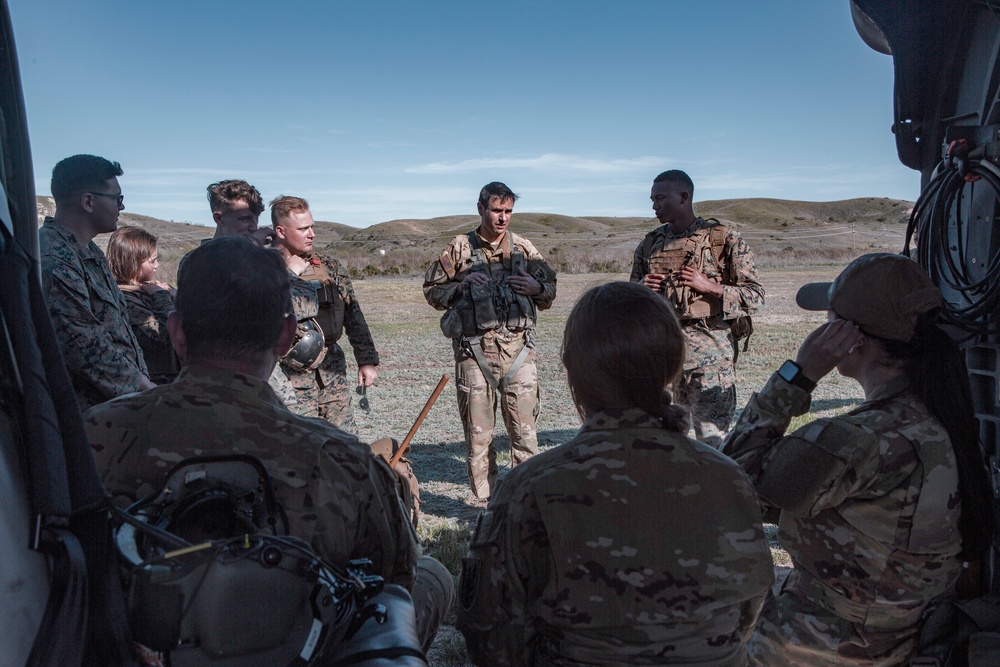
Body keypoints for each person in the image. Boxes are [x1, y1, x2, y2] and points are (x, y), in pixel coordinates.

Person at [83, 237, 453, 655]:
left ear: (177, 333)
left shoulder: (96, 432)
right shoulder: (343, 459)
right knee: (431, 577)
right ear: (286, 336)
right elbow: (395, 580)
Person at [457, 281, 774, 666]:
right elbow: (748, 612)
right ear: (673, 366)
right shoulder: (728, 477)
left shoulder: (532, 487)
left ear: (574, 371)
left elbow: (493, 639)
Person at [722, 253, 995, 666]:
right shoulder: (939, 411)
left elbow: (733, 484)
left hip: (821, 647)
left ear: (852, 337)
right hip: (898, 637)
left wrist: (797, 374)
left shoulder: (857, 440)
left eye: (829, 319)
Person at [423, 182, 557, 501]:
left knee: (525, 436)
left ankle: (525, 504)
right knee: (478, 439)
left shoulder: (524, 248)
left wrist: (536, 287)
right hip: (474, 355)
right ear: (481, 208)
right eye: (497, 210)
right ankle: (486, 503)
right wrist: (461, 285)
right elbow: (431, 290)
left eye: (508, 211)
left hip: (519, 355)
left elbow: (550, 289)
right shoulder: (459, 248)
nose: (502, 218)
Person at [631, 169, 764, 448]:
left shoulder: (723, 240)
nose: (654, 206)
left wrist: (710, 287)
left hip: (711, 359)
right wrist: (641, 288)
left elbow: (755, 296)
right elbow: (631, 299)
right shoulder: (649, 244)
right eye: (652, 199)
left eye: (660, 198)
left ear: (684, 197)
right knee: (662, 440)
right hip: (664, 357)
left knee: (713, 442)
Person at [39, 154, 154, 411]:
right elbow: (82, 344)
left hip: (116, 407)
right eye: (117, 199)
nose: (121, 207)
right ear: (88, 202)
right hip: (89, 418)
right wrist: (146, 390)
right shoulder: (55, 257)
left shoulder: (88, 250)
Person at [268, 195, 379, 432]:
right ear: (280, 231)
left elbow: (353, 313)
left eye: (312, 227)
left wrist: (366, 359)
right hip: (288, 376)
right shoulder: (263, 268)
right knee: (300, 445)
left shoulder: (328, 266)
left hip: (332, 370)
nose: (312, 234)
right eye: (303, 228)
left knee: (344, 441)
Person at [106, 225, 179, 384]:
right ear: (133, 263)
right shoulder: (125, 298)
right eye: (152, 260)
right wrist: (161, 297)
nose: (157, 265)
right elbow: (162, 336)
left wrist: (176, 297)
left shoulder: (145, 290)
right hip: (153, 382)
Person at [205, 178, 274, 245]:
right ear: (219, 218)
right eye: (245, 219)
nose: (254, 228)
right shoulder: (201, 256)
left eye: (256, 218)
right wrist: (253, 245)